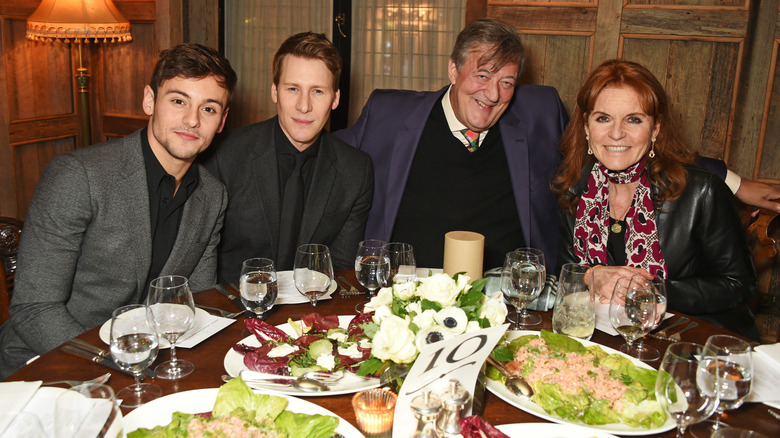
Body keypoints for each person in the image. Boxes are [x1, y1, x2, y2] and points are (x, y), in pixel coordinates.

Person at [0, 43, 236, 379]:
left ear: (222, 121)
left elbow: (194, 303)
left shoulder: (212, 195)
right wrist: (119, 367)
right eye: (179, 101)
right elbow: (34, 309)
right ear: (149, 100)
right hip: (49, 364)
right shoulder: (78, 175)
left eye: (209, 109)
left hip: (144, 366)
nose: (192, 120)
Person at [335, 19, 567, 270]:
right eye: (482, 75)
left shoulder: (541, 114)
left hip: (506, 295)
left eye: (507, 82)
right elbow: (326, 156)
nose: (493, 94)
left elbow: (587, 165)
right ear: (453, 70)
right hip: (407, 292)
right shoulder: (388, 115)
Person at [553, 59, 759, 340]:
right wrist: (592, 276)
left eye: (633, 119)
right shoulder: (573, 190)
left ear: (656, 129)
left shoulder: (702, 191)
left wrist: (652, 292)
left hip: (691, 341)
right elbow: (567, 270)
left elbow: (739, 285)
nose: (616, 133)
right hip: (606, 338)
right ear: (587, 128)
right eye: (603, 118)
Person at [203, 32, 373, 284]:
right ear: (275, 92)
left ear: (335, 99)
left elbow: (341, 269)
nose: (303, 106)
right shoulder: (224, 155)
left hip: (312, 312)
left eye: (317, 91)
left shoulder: (356, 170)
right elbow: (203, 261)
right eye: (292, 89)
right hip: (233, 310)